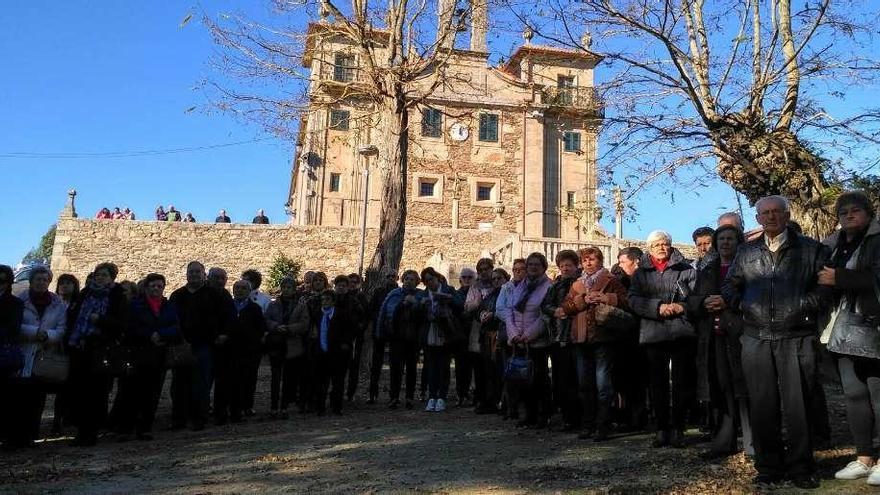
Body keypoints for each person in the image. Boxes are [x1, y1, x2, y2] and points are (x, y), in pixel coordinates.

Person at [722, 195, 831, 489]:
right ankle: (768, 466)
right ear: (757, 219)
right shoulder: (746, 253)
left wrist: (801, 306)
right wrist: (743, 306)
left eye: (776, 212)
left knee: (799, 405)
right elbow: (730, 286)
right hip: (756, 337)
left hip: (796, 336)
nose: (771, 217)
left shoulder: (811, 250)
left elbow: (825, 290)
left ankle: (801, 466)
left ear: (787, 214)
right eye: (765, 213)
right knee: (762, 404)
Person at [817, 191, 880, 485]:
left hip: (873, 326)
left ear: (868, 213)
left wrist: (840, 278)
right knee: (854, 395)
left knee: (879, 395)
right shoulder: (836, 245)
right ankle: (864, 457)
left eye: (855, 211)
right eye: (843, 213)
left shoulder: (877, 241)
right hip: (841, 330)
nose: (849, 216)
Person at [687, 225, 751, 459]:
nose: (725, 242)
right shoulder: (707, 269)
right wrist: (704, 303)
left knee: (748, 389)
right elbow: (692, 299)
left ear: (739, 241)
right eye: (721, 238)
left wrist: (727, 302)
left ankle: (756, 443)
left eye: (730, 238)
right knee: (720, 388)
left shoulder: (749, 264)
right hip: (714, 335)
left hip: (743, 334)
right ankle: (724, 442)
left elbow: (756, 296)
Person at [629, 230, 697, 448]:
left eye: (665, 243)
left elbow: (697, 298)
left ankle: (678, 428)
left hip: (681, 332)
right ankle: (661, 428)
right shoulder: (640, 274)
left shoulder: (686, 269)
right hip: (653, 332)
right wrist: (657, 307)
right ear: (649, 248)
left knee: (681, 383)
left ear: (671, 245)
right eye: (656, 244)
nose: (661, 247)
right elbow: (633, 300)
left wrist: (681, 306)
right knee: (657, 384)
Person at [562, 247, 629, 441]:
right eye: (585, 260)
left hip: (603, 338)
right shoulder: (576, 284)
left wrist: (606, 298)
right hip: (581, 338)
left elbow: (627, 301)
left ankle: (603, 425)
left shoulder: (611, 280)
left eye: (592, 259)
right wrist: (582, 300)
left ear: (600, 261)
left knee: (603, 385)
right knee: (584, 385)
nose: (588, 263)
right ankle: (587, 424)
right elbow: (565, 307)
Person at [65, 262, 127, 446]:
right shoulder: (85, 293)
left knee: (97, 392)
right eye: (98, 274)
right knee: (78, 391)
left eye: (105, 275)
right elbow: (72, 317)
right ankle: (80, 429)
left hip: (101, 349)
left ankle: (90, 432)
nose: (100, 278)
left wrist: (100, 319)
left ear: (112, 278)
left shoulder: (117, 296)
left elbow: (121, 324)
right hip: (80, 348)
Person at [7, 266, 66, 449]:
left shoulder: (57, 304)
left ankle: (30, 436)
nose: (41, 282)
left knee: (36, 400)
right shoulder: (19, 301)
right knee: (16, 400)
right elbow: (15, 325)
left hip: (42, 356)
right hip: (22, 353)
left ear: (49, 282)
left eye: (45, 280)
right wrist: (35, 332)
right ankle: (13, 437)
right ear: (31, 281)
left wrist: (48, 335)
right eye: (38, 279)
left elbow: (61, 328)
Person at [169, 261, 230, 431]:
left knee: (201, 384)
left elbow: (225, 317)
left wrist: (223, 334)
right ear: (186, 274)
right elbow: (171, 319)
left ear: (204, 274)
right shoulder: (178, 295)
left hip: (205, 345)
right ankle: (179, 419)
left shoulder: (214, 295)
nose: (194, 274)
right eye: (191, 271)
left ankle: (199, 418)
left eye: (198, 271)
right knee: (179, 385)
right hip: (181, 345)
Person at [117, 273, 178, 441]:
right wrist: (149, 335)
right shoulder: (135, 305)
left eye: (159, 286)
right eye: (153, 285)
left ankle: (145, 427)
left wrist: (161, 334)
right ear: (146, 287)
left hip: (158, 356)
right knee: (130, 392)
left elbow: (175, 326)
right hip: (138, 353)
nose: (156, 288)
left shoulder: (168, 306)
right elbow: (129, 327)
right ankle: (125, 428)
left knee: (152, 393)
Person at [506, 252, 553, 429]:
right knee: (521, 381)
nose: (533, 267)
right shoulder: (519, 286)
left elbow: (545, 316)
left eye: (536, 264)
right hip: (518, 340)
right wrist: (513, 334)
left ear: (543, 267)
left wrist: (528, 335)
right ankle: (527, 414)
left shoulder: (548, 287)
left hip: (537, 342)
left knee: (539, 379)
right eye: (530, 264)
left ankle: (543, 414)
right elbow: (510, 311)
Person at [541, 250, 580, 430]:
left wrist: (569, 310)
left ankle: (580, 416)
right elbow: (545, 305)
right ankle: (567, 417)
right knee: (561, 380)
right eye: (562, 265)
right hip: (558, 337)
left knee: (578, 379)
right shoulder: (555, 286)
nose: (565, 268)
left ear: (575, 266)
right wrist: (555, 311)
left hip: (578, 337)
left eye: (569, 265)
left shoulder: (581, 283)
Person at [376, 270, 423, 409]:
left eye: (412, 279)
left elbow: (422, 314)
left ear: (417, 282)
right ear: (402, 280)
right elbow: (384, 313)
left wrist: (414, 304)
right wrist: (380, 333)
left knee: (411, 369)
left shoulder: (420, 295)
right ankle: (394, 397)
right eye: (407, 278)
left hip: (413, 338)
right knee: (395, 368)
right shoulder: (394, 294)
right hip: (396, 337)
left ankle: (409, 397)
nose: (409, 281)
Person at [265, 276, 309, 418]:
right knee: (275, 378)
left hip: (292, 344)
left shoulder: (300, 305)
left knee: (289, 378)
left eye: (289, 287)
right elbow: (266, 320)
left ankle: (284, 406)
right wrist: (276, 326)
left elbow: (304, 323)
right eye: (284, 287)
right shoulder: (273, 304)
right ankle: (273, 407)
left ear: (294, 288)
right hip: (276, 343)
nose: (286, 290)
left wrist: (289, 328)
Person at [420, 267, 461, 412]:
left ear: (437, 278)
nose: (430, 283)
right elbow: (418, 315)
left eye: (431, 279)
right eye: (426, 281)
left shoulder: (448, 290)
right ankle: (432, 396)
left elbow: (460, 305)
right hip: (430, 333)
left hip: (446, 333)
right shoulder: (424, 294)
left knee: (444, 366)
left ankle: (442, 397)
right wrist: (421, 306)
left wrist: (447, 299)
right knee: (431, 367)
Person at [313, 290, 354, 415]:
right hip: (321, 352)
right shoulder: (317, 314)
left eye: (327, 299)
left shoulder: (341, 314)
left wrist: (344, 345)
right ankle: (320, 407)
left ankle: (337, 406)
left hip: (337, 354)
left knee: (338, 382)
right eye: (323, 300)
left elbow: (349, 331)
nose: (324, 302)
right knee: (321, 382)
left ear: (333, 301)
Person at [463, 258, 496, 412]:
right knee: (479, 367)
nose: (483, 272)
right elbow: (468, 306)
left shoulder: (497, 284)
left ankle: (492, 399)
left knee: (492, 367)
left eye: (486, 269)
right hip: (478, 330)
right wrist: (477, 304)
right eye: (480, 270)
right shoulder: (475, 287)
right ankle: (481, 398)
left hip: (494, 330)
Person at [495, 259, 524, 419]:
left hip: (528, 335)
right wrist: (514, 323)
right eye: (515, 269)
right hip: (509, 336)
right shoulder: (506, 288)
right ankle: (509, 407)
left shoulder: (530, 287)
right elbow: (500, 309)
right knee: (510, 373)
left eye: (521, 269)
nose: (517, 272)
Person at [50, 273, 79, 434]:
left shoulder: (78, 305)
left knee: (66, 387)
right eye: (62, 283)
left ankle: (61, 418)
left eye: (69, 283)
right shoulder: (52, 303)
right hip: (52, 346)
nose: (65, 286)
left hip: (70, 349)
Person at [0, 265, 24, 449]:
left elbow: (13, 329)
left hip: (4, 357)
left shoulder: (15, 303)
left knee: (7, 399)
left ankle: (9, 437)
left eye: (3, 281)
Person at [367, 269, 399, 404]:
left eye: (393, 276)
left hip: (395, 332)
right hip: (380, 330)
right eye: (388, 276)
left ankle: (394, 395)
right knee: (376, 364)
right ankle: (372, 393)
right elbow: (372, 309)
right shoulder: (378, 292)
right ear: (385, 278)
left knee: (395, 364)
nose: (391, 278)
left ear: (397, 278)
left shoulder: (399, 293)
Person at [453, 267, 477, 406]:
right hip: (460, 334)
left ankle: (470, 392)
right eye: (465, 277)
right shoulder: (456, 295)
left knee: (474, 366)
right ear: (460, 280)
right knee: (460, 366)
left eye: (470, 277)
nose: (467, 279)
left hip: (474, 333)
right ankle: (461, 393)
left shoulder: (478, 294)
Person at [345, 273, 369, 401]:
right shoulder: (341, 297)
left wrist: (359, 328)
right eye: (350, 282)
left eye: (355, 282)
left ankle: (350, 393)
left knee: (354, 366)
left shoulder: (361, 297)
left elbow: (366, 316)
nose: (352, 284)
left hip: (355, 337)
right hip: (342, 336)